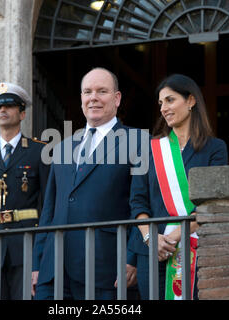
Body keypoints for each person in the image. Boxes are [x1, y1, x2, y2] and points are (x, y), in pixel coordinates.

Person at [32, 67, 146, 300]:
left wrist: (133, 257)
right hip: (53, 272)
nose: (93, 97)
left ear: (117, 98)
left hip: (105, 268)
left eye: (101, 91)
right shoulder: (63, 147)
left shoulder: (138, 141)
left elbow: (142, 204)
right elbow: (49, 211)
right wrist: (37, 263)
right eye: (87, 92)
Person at [129, 74, 228, 300]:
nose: (164, 108)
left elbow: (211, 204)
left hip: (194, 248)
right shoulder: (149, 149)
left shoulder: (215, 148)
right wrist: (151, 238)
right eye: (161, 103)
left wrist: (172, 238)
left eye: (170, 100)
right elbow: (137, 201)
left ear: (191, 101)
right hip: (151, 252)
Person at [0, 82, 50, 300]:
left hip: (25, 245)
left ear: (22, 113)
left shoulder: (38, 151)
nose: (3, 110)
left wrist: (43, 252)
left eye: (10, 106)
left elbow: (47, 204)